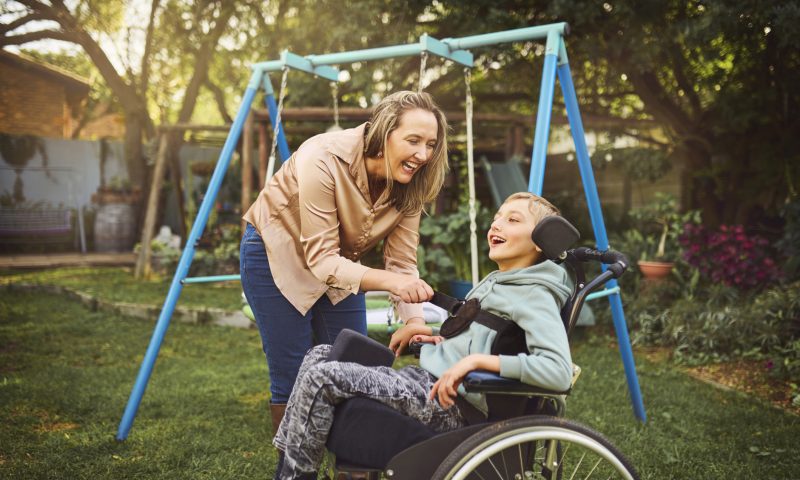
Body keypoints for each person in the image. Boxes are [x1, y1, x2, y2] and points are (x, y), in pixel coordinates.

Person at [273, 192, 574, 479]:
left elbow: (558, 372)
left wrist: (474, 362)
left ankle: (294, 475)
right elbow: (492, 334)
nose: (496, 224)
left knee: (323, 377)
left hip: (451, 406)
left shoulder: (536, 295)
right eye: (498, 217)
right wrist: (434, 334)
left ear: (541, 241)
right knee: (320, 354)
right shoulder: (503, 281)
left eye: (513, 220)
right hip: (426, 381)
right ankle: (288, 464)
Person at [240, 91, 449, 435]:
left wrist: (413, 321)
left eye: (430, 144)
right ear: (383, 134)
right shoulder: (321, 156)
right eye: (413, 140)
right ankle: (294, 465)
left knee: (356, 365)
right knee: (293, 370)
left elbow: (401, 263)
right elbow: (322, 260)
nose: (423, 154)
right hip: (275, 256)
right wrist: (393, 284)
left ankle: (353, 465)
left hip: (341, 263)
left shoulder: (413, 183)